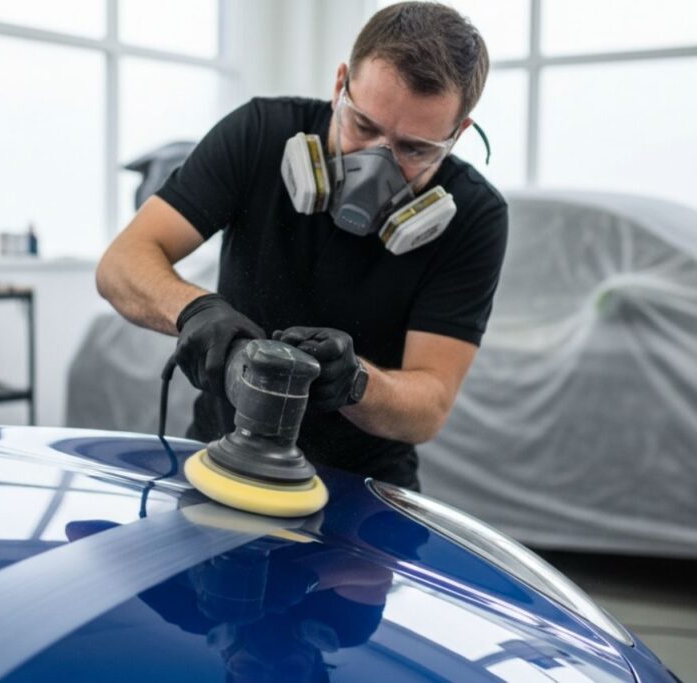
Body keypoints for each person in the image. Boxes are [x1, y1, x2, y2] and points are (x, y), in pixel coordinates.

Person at [96, 2, 508, 490]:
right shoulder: (259, 135)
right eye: (364, 126)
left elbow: (430, 408)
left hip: (366, 490)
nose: (378, 163)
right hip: (221, 459)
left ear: (456, 136)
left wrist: (356, 382)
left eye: (414, 149)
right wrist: (195, 310)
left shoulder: (475, 215)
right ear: (340, 86)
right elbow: (121, 263)